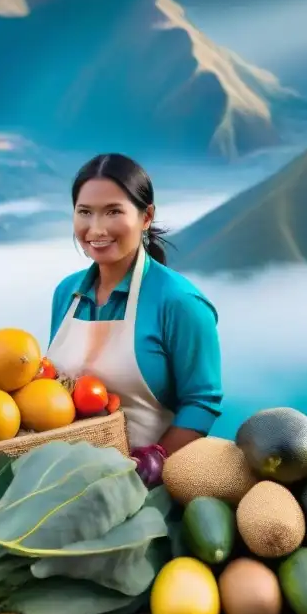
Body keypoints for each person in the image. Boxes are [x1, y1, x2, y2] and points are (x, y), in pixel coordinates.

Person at [47, 153, 223, 454]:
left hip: (143, 486)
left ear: (146, 216)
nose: (97, 229)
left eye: (113, 212)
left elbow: (201, 402)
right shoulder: (67, 293)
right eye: (85, 212)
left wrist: (149, 466)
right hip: (60, 472)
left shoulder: (180, 302)